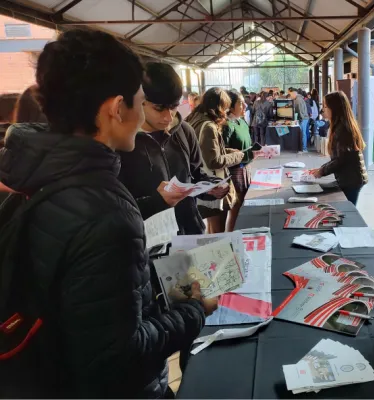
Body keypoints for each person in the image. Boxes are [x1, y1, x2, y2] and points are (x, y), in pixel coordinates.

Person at [0, 29, 218, 398]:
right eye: (140, 99)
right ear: (117, 108)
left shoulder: (28, 180)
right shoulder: (105, 211)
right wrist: (194, 310)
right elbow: (119, 357)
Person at [118, 62, 228, 236]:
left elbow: (196, 174)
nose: (168, 117)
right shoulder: (123, 142)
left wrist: (211, 188)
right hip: (150, 242)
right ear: (140, 101)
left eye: (174, 107)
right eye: (159, 108)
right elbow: (117, 208)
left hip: (191, 232)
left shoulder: (184, 131)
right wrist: (157, 202)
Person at [187, 87, 244, 233]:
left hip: (201, 183)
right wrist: (237, 156)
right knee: (217, 229)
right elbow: (214, 160)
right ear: (218, 107)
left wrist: (229, 151)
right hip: (213, 184)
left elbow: (208, 150)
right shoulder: (209, 126)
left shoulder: (194, 120)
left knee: (212, 228)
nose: (225, 112)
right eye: (225, 108)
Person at [308, 91, 368, 205]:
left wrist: (322, 171)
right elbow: (338, 158)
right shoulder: (339, 126)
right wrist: (321, 168)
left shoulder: (343, 130)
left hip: (352, 179)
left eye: (325, 106)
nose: (323, 110)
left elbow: (341, 160)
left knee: (349, 211)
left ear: (334, 108)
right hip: (349, 178)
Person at [223, 90, 254, 232]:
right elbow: (222, 152)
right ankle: (232, 237)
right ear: (230, 105)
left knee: (242, 206)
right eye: (240, 103)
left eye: (244, 102)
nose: (244, 106)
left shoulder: (242, 122)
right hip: (233, 171)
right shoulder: (227, 125)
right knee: (235, 210)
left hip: (245, 168)